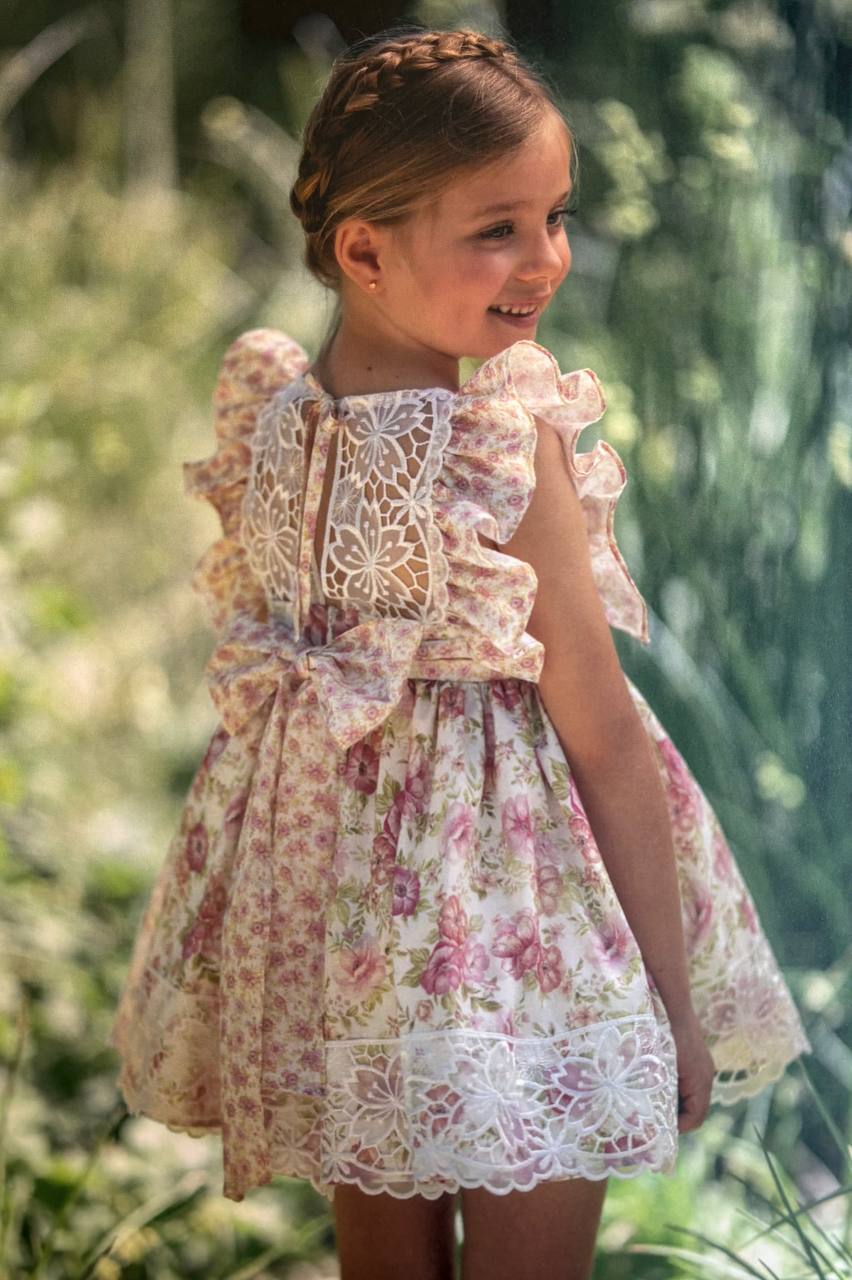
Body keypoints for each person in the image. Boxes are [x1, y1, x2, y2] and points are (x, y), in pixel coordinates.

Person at [110, 24, 812, 1280]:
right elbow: (601, 731)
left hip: (346, 946)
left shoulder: (271, 412)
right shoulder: (498, 441)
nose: (545, 258)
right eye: (498, 228)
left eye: (555, 216)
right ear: (363, 249)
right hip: (516, 944)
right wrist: (672, 1002)